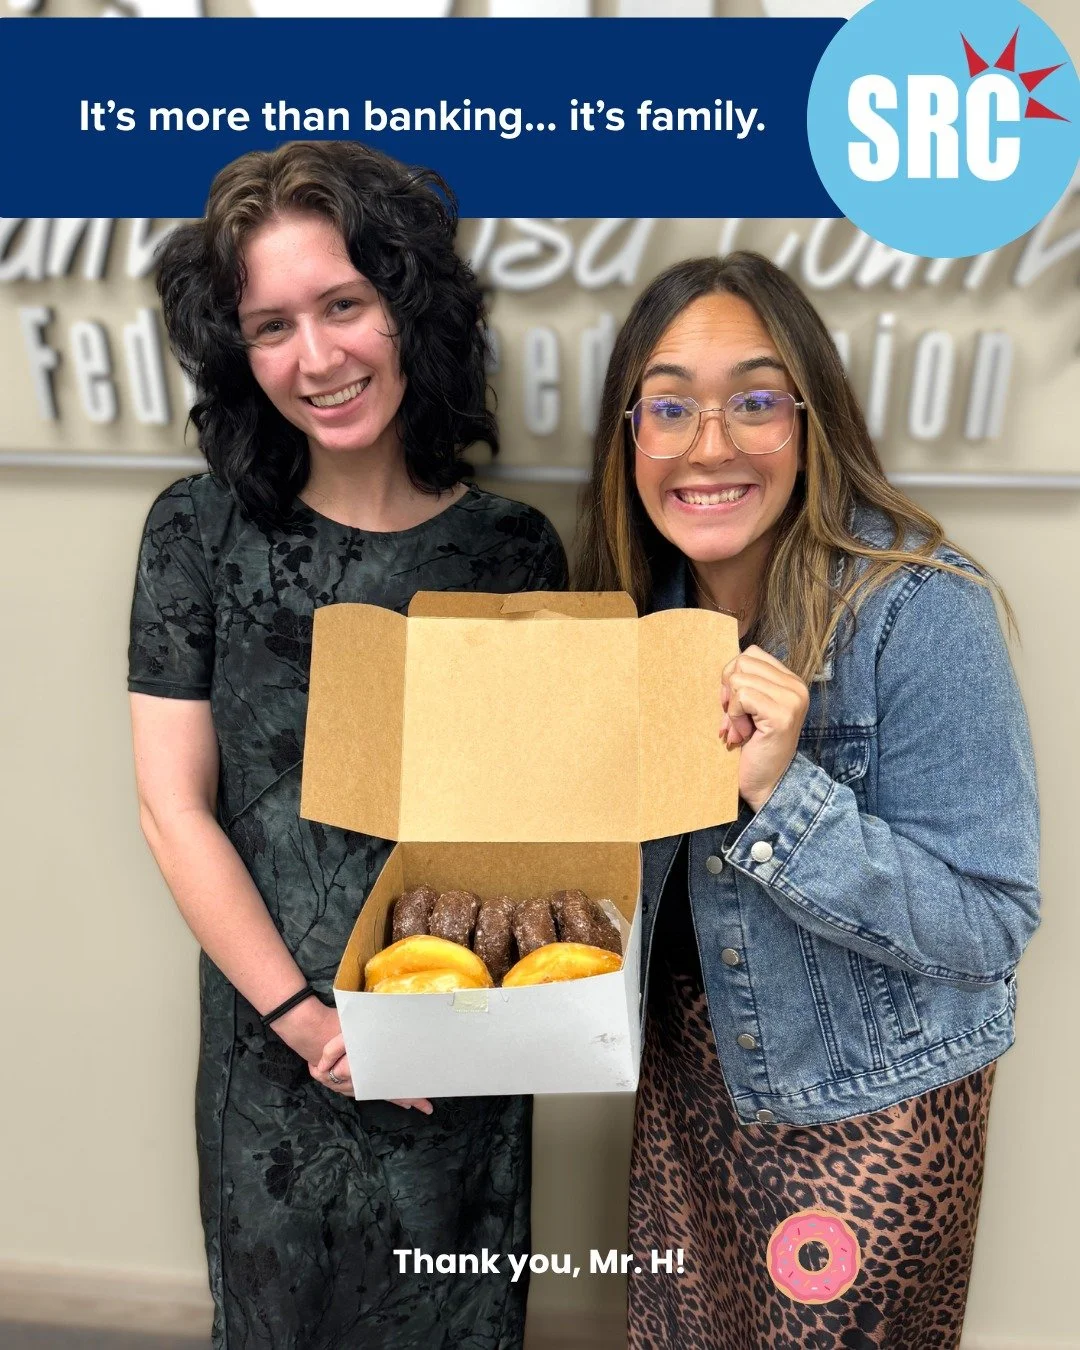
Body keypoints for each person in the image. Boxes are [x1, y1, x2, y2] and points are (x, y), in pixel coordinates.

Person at [128, 140, 566, 1350]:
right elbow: (176, 810)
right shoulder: (197, 533)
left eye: (343, 305)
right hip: (277, 1062)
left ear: (406, 306)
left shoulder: (514, 552)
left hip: (459, 1053)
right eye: (271, 326)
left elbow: (524, 833)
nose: (315, 359)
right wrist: (310, 1023)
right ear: (235, 352)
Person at [575, 253, 1039, 1349]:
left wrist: (784, 792)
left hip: (866, 1115)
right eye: (672, 406)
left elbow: (994, 924)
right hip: (690, 1099)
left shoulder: (921, 608)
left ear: (810, 417)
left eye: (754, 400)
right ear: (630, 434)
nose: (711, 444)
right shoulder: (637, 621)